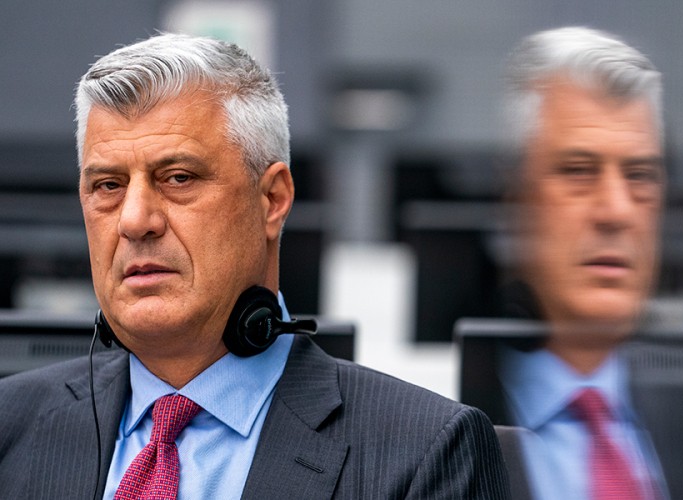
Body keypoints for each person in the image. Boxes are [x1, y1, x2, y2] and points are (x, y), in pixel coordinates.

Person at [0, 33, 509, 499]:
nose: (134, 221)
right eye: (108, 186)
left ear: (272, 199)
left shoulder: (424, 452)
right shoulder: (9, 426)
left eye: (178, 178)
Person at [490, 27, 670, 499]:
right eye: (578, 171)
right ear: (516, 199)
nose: (617, 211)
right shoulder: (436, 422)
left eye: (640, 175)